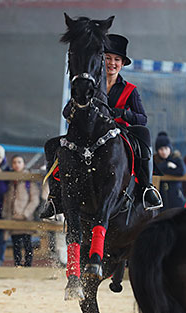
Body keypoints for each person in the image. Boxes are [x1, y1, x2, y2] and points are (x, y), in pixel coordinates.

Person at [41, 33, 161, 218]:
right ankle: (55, 197)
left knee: (143, 132)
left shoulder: (130, 89)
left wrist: (123, 113)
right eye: (107, 58)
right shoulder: (87, 85)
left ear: (122, 64)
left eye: (116, 59)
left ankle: (147, 188)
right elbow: (66, 113)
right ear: (100, 61)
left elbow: (142, 118)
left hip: (119, 133)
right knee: (51, 145)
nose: (112, 63)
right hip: (89, 135)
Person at [2, 155, 40, 267]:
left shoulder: (29, 181)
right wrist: (6, 214)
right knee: (16, 244)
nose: (16, 164)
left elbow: (35, 199)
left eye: (19, 162)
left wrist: (26, 213)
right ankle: (17, 265)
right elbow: (7, 200)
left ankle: (28, 266)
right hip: (13, 218)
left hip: (25, 218)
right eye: (14, 162)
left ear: (23, 164)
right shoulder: (10, 180)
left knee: (27, 243)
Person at [153, 132, 186, 210]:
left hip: (176, 196)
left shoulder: (176, 158)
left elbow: (182, 171)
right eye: (161, 149)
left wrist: (164, 170)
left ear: (170, 148)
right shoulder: (155, 160)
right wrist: (167, 165)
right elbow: (155, 170)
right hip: (161, 197)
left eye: (166, 148)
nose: (164, 152)